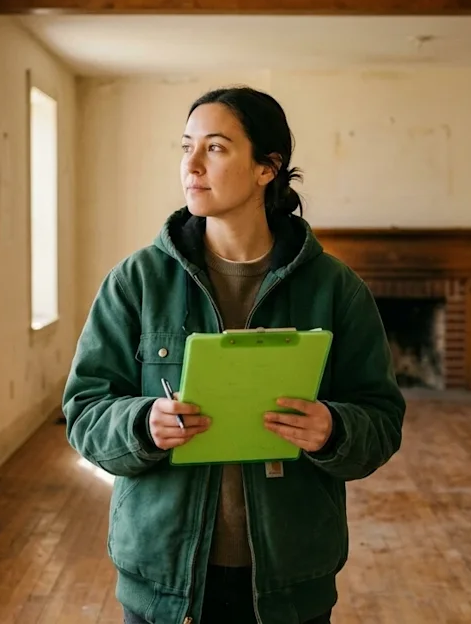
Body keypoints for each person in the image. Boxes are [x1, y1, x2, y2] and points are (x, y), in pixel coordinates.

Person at [62, 86, 406, 624]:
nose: (191, 165)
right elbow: (84, 411)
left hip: (290, 583)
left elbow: (382, 421)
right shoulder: (136, 282)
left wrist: (333, 429)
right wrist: (140, 423)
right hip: (164, 582)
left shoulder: (337, 289)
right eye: (186, 147)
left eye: (216, 148)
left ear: (267, 168)